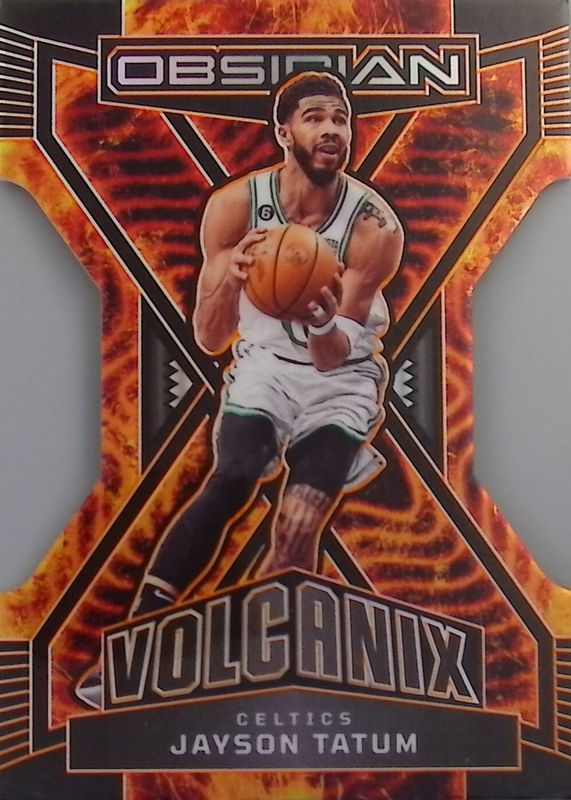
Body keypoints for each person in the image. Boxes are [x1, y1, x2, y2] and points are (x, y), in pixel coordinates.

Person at [76, 71, 403, 708]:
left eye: (341, 118)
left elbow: (334, 352)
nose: (332, 130)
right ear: (283, 131)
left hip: (341, 378)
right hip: (264, 367)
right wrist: (234, 276)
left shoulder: (374, 227)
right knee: (232, 477)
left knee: (298, 524)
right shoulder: (234, 208)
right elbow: (208, 336)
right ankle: (135, 651)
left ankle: (253, 650)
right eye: (315, 117)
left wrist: (318, 320)